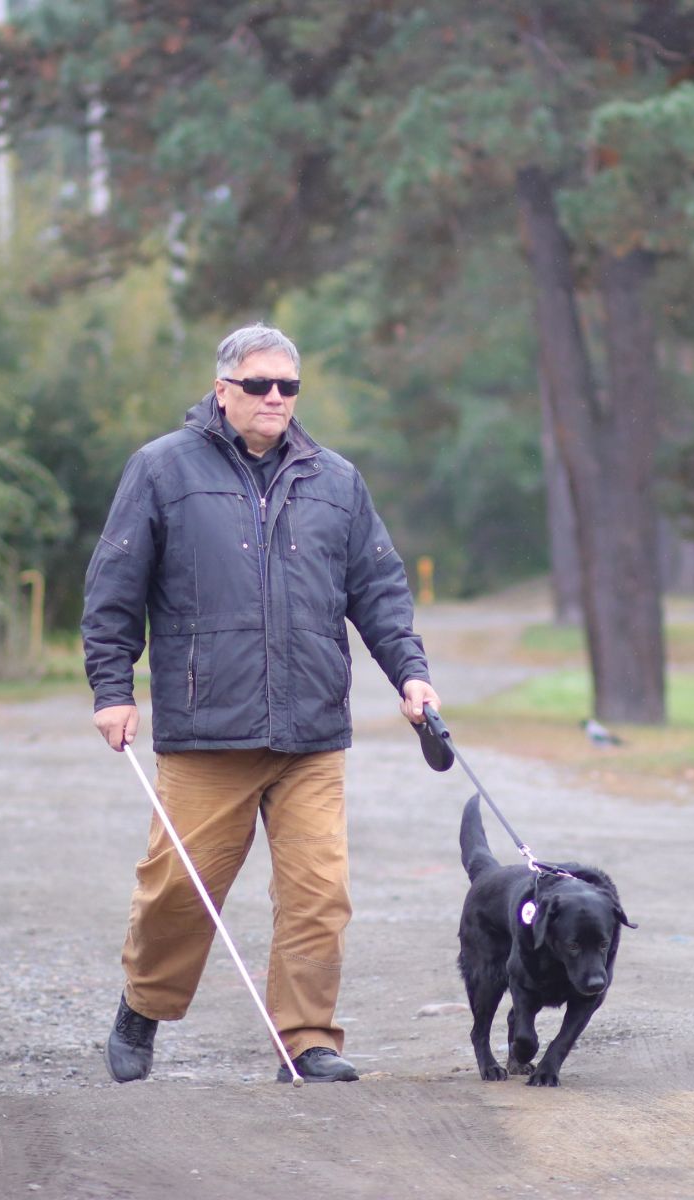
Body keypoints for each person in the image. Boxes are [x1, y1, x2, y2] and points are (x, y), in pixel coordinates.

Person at [82, 322, 441, 1084]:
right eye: (258, 384)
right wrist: (112, 689)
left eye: (288, 386)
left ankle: (307, 1040)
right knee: (177, 890)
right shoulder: (160, 471)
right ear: (223, 390)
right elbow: (113, 588)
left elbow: (378, 592)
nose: (275, 397)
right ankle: (141, 1008)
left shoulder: (336, 481)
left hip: (310, 734)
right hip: (208, 734)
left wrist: (410, 674)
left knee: (319, 896)